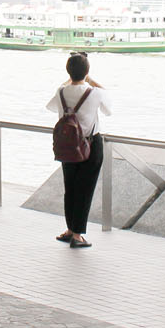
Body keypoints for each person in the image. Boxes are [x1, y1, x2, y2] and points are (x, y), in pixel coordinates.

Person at [46, 52, 111, 249]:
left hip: (67, 144)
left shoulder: (61, 91)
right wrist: (90, 80)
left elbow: (50, 107)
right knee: (85, 189)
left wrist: (71, 79)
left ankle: (69, 229)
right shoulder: (95, 92)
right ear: (88, 71)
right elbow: (108, 109)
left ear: (68, 71)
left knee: (71, 189)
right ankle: (77, 234)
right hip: (90, 145)